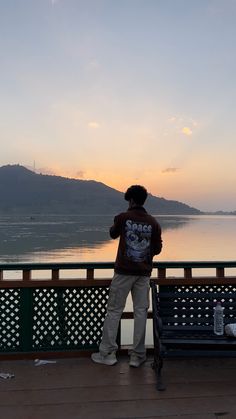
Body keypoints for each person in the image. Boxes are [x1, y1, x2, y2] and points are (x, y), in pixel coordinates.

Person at [91, 185, 162, 367]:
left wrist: (118, 222)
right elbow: (158, 249)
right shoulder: (153, 222)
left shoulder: (123, 217)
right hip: (144, 273)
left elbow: (112, 233)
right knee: (140, 312)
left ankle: (108, 354)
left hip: (123, 272)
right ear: (144, 200)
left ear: (131, 200)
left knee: (114, 311)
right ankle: (137, 356)